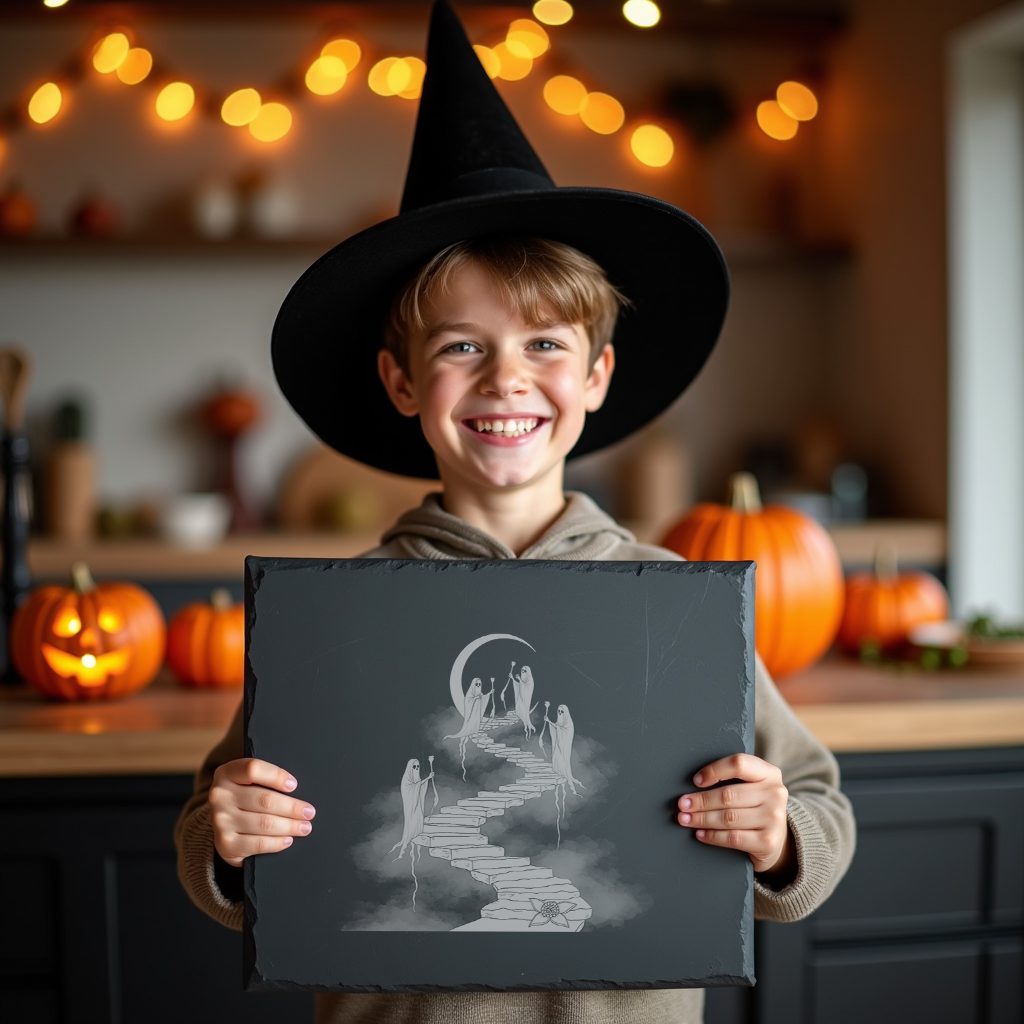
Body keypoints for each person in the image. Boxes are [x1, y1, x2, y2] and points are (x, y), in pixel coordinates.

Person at [174, 3, 856, 1022]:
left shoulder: (673, 605)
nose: (505, 380)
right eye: (459, 347)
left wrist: (777, 831)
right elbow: (212, 828)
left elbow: (818, 804)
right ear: (402, 383)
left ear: (597, 377)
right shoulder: (337, 619)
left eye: (544, 346)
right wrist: (224, 838)